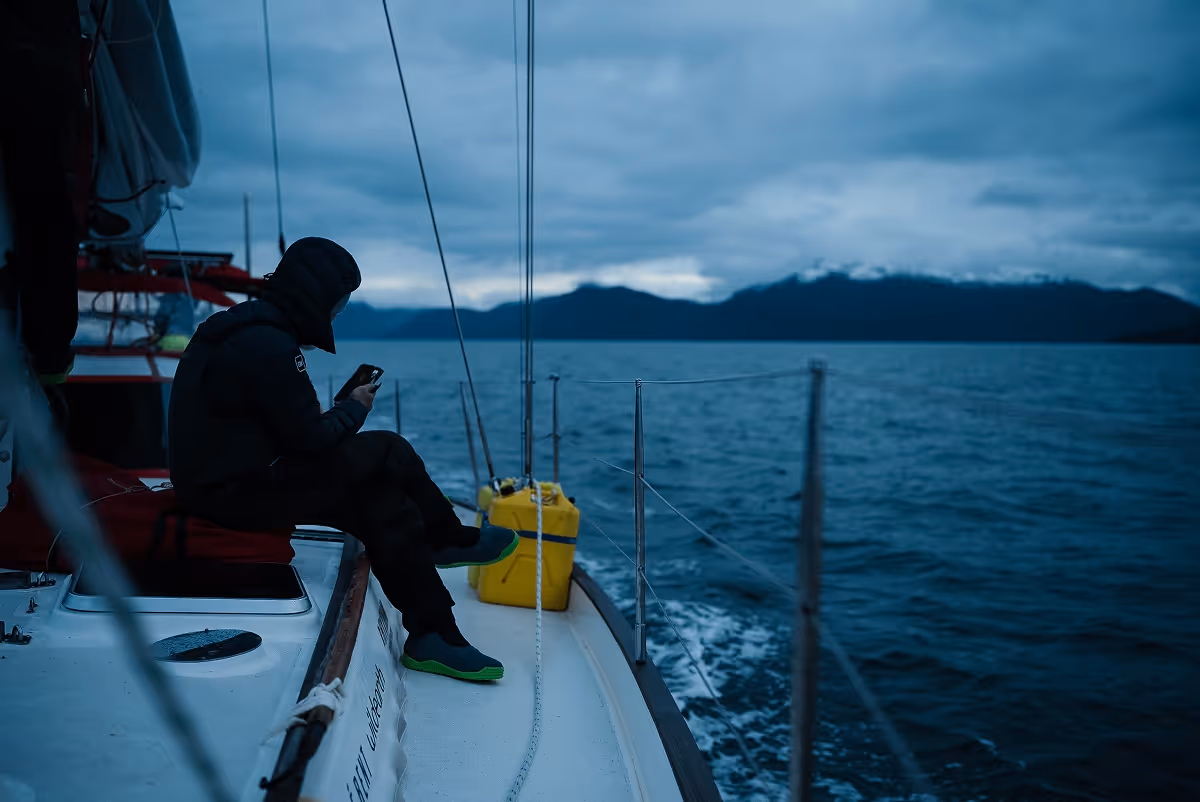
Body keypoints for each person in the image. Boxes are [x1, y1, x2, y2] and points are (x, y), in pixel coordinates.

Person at [168, 237, 517, 681]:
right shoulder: (268, 346)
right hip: (234, 495)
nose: (336, 315)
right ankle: (444, 540)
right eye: (337, 305)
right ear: (314, 298)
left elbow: (280, 429)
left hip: (226, 483)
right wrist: (354, 407)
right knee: (388, 447)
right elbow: (310, 441)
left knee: (379, 499)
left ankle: (434, 634)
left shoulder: (240, 329)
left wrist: (336, 413)